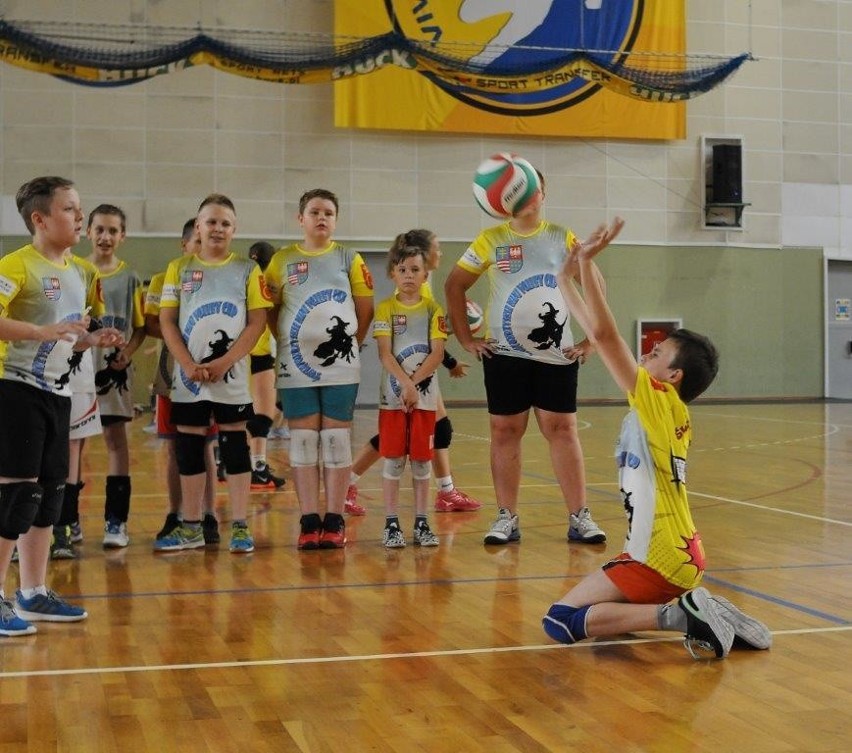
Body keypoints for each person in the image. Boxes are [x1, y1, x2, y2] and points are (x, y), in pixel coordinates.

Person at [541, 217, 771, 659]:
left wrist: (586, 266)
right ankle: (706, 611)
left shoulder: (659, 398)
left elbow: (604, 335)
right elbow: (596, 330)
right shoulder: (667, 409)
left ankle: (681, 614)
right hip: (675, 549)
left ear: (673, 375)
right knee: (606, 622)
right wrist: (564, 278)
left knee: (560, 621)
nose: (646, 352)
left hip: (659, 553)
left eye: (658, 352)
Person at [444, 168, 605, 546]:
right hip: (505, 355)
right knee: (504, 432)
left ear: (542, 193)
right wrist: (466, 339)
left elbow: (595, 284)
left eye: (536, 186)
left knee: (562, 430)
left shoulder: (562, 237)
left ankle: (580, 517)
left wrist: (591, 340)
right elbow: (455, 284)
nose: (529, 193)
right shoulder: (490, 239)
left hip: (556, 353)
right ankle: (506, 518)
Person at [0, 176, 123, 635]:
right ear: (40, 218)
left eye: (80, 208)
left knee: (50, 493)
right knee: (14, 494)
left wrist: (91, 339)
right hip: (14, 390)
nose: (80, 218)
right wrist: (38, 333)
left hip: (58, 391)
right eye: (70, 209)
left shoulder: (81, 270)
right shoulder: (17, 265)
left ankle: (32, 592)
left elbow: (66, 339)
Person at [155, 194, 270, 554]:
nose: (217, 228)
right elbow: (167, 321)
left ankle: (239, 524)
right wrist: (187, 364)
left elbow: (257, 322)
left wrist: (226, 362)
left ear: (234, 229)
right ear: (199, 226)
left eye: (225, 223)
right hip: (189, 378)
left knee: (235, 447)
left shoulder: (248, 271)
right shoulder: (179, 269)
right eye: (211, 222)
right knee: (189, 447)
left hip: (231, 378)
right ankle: (191, 524)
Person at [264, 188, 374, 550]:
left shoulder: (349, 258)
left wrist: (352, 343)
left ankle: (334, 517)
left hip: (341, 367)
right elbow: (269, 308)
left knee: (336, 440)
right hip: (295, 365)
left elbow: (365, 309)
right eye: (314, 212)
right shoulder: (281, 261)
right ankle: (310, 519)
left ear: (336, 219)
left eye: (328, 212)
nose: (321, 218)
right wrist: (288, 340)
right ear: (301, 219)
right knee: (304, 442)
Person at [347, 229, 481, 515]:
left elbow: (431, 340)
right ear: (423, 252)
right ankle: (444, 492)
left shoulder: (426, 291)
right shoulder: (413, 293)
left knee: (430, 430)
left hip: (422, 373)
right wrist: (450, 363)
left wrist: (448, 360)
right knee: (424, 431)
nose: (441, 253)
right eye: (437, 247)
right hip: (405, 375)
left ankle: (445, 491)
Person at [144, 219, 219, 545]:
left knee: (206, 448)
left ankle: (209, 514)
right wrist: (183, 330)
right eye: (195, 243)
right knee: (176, 450)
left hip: (209, 378)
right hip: (172, 377)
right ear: (184, 244)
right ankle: (175, 512)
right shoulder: (164, 280)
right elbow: (150, 323)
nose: (200, 249)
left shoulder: (219, 282)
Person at [373, 242, 446, 548]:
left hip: (425, 400)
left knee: (421, 461)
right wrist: (405, 384)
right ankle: (391, 523)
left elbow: (437, 353)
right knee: (392, 460)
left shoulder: (433, 310)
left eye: (415, 270)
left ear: (426, 274)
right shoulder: (386, 309)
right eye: (402, 270)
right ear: (392, 273)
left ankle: (421, 521)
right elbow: (385, 354)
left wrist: (415, 385)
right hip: (392, 398)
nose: (408, 275)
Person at [85, 204, 147, 548]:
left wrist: (128, 353)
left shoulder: (130, 278)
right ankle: (67, 523)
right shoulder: (76, 271)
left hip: (115, 373)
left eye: (113, 231)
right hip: (77, 373)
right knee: (72, 447)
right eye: (100, 229)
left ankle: (115, 521)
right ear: (88, 232)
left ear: (122, 236)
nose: (106, 237)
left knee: (115, 442)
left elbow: (139, 328)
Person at [50, 251, 105, 559]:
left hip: (76, 375)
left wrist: (97, 336)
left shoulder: (86, 270)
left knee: (70, 451)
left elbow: (95, 323)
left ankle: (64, 525)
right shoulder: (18, 264)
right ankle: (25, 527)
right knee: (31, 454)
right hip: (32, 373)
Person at [245, 241, 286, 491]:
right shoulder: (268, 285)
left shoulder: (244, 280)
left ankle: (228, 462)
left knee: (244, 416)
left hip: (242, 355)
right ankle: (257, 468)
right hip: (260, 354)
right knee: (263, 417)